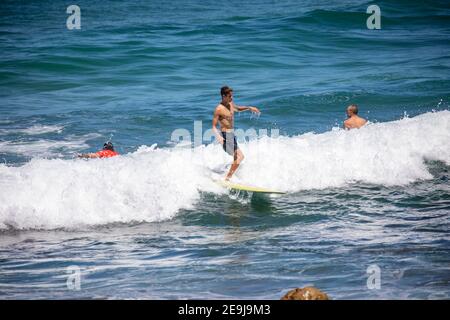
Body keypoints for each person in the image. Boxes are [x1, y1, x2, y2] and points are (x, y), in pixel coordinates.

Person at [212, 86, 260, 180]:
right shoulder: (219, 109)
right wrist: (219, 137)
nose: (231, 98)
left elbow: (237, 109)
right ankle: (228, 178)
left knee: (236, 157)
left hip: (231, 135)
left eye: (232, 96)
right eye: (230, 96)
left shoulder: (230, 103)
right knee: (240, 156)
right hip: (225, 135)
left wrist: (249, 108)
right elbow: (213, 126)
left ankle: (229, 176)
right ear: (224, 96)